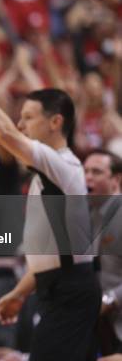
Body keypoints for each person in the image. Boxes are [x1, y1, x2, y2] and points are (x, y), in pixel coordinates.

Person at [0, 34, 101, 360]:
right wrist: (19, 292)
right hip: (58, 287)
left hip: (70, 291)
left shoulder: (62, 165)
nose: (20, 124)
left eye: (28, 118)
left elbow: (4, 134)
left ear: (55, 123)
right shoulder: (47, 175)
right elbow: (55, 254)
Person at [84, 149, 122, 355]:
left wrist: (110, 299)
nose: (88, 177)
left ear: (116, 179)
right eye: (86, 171)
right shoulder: (90, 215)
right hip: (103, 328)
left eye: (96, 172)